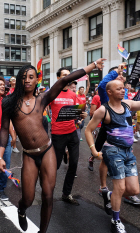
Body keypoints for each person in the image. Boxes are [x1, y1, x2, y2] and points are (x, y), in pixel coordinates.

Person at [0, 59, 105, 233]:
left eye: (31, 77)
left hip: (47, 151)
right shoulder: (9, 103)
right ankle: (22, 210)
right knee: (28, 198)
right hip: (29, 155)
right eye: (24, 77)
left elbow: (63, 80)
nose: (27, 80)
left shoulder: (42, 99)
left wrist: (92, 66)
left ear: (36, 80)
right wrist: (0, 156)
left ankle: (43, 231)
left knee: (48, 196)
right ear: (19, 79)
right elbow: (3, 130)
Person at [85, 71, 140, 233]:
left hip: (128, 152)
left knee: (134, 190)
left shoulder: (128, 104)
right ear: (109, 92)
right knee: (120, 188)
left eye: (123, 88)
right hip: (113, 152)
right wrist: (94, 151)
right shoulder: (102, 111)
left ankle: (110, 195)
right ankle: (115, 220)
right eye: (118, 88)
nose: (123, 90)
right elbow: (88, 130)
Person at [50, 66, 92, 206]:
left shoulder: (73, 95)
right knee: (54, 167)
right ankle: (48, 192)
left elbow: (76, 113)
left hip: (72, 133)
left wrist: (82, 115)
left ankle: (66, 194)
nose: (67, 77)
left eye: (69, 75)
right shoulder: (52, 93)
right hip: (58, 135)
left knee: (73, 164)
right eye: (64, 75)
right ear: (58, 78)